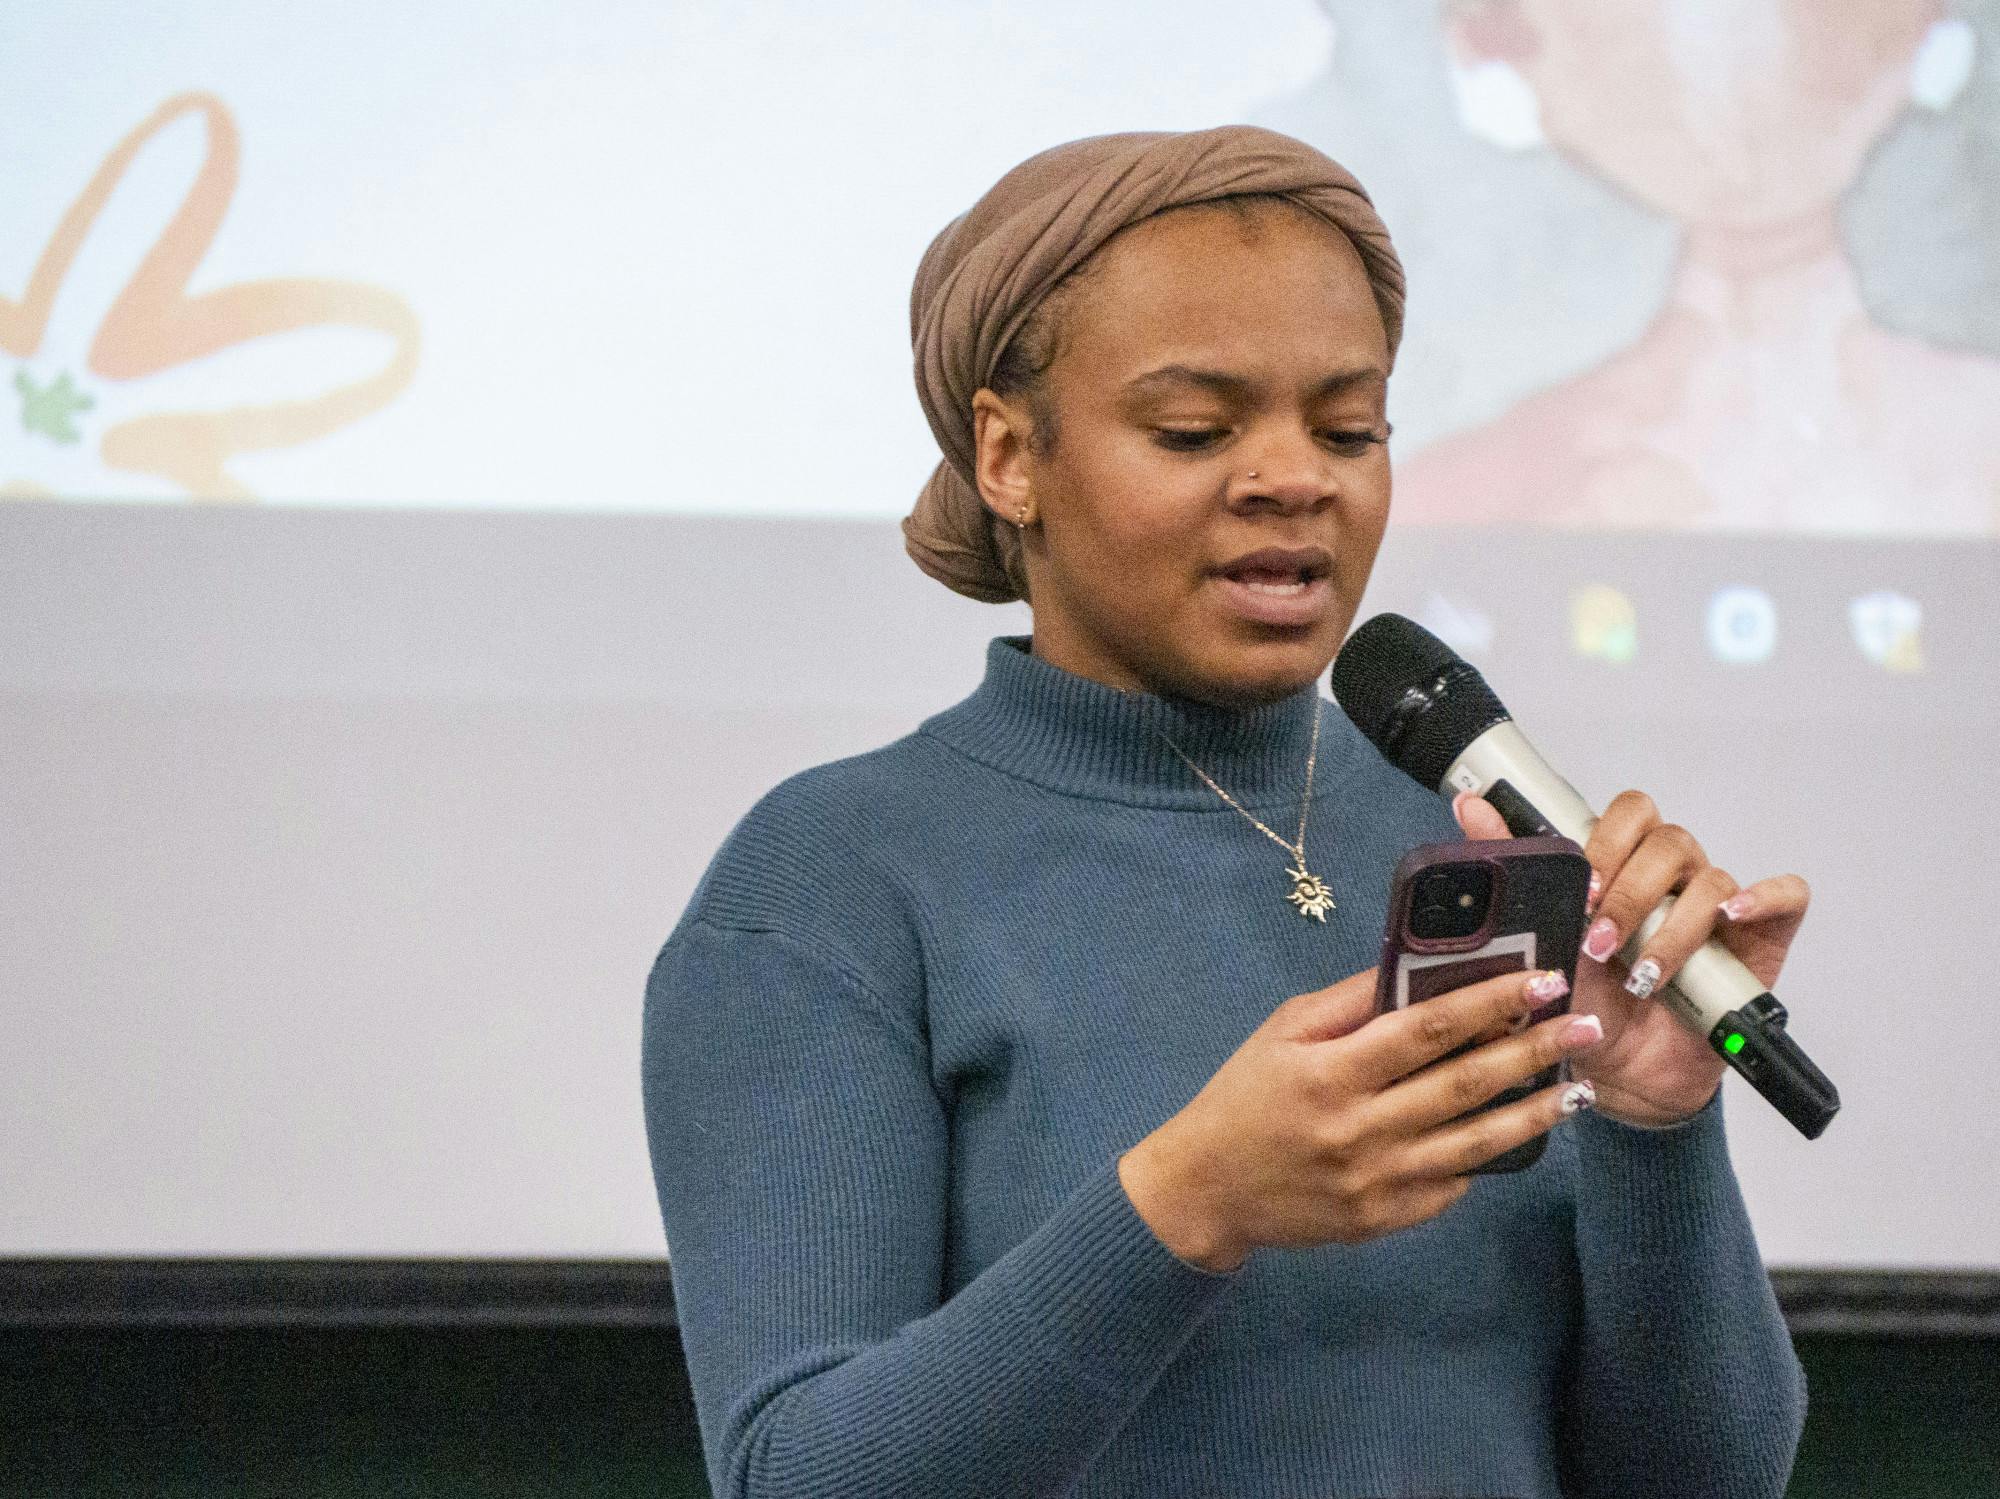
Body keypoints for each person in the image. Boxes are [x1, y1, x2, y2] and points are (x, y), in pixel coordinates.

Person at [642, 124, 1809, 1498]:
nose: (1293, 477)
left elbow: (1703, 1484)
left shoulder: (1482, 852)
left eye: (1349, 427)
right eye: (1195, 430)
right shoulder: (830, 882)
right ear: (1010, 457)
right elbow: (795, 1481)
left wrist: (1656, 1131)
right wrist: (1190, 1207)